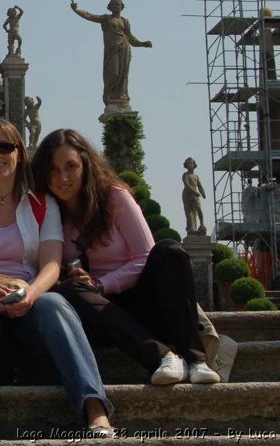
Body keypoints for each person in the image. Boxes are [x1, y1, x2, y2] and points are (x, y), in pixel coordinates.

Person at [0, 119, 113, 441]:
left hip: (27, 302)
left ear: (19, 152)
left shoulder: (41, 204)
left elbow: (51, 265)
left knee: (55, 303)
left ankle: (95, 408)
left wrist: (31, 293)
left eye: (5, 147)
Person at [31, 129, 221, 387]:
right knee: (69, 290)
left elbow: (145, 257)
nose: (62, 177)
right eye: (53, 169)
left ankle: (196, 359)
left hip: (137, 300)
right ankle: (162, 356)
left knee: (169, 251)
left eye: (71, 166)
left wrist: (101, 284)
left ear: (86, 165)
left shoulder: (114, 197)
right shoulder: (46, 212)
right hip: (96, 314)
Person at [70, 0, 152, 112]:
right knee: (112, 73)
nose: (116, 6)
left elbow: (131, 38)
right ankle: (110, 96)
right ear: (110, 6)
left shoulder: (125, 21)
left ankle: (121, 96)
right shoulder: (106, 19)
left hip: (124, 49)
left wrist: (143, 44)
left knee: (123, 75)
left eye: (118, 4)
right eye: (114, 4)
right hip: (112, 50)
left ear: (122, 6)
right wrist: (76, 10)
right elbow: (89, 16)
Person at [182, 157, 206, 234]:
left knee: (199, 209)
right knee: (188, 212)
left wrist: (203, 193)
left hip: (195, 194)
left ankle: (202, 224)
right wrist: (195, 192)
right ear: (186, 165)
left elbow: (199, 185)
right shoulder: (185, 175)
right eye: (188, 163)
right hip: (187, 194)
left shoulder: (196, 176)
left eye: (191, 163)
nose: (190, 165)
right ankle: (191, 227)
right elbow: (187, 185)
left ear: (194, 164)